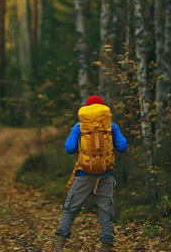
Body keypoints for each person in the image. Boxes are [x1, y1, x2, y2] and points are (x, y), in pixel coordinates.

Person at [54, 95, 128, 252]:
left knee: (70, 208)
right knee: (106, 213)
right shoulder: (110, 126)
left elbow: (69, 148)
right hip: (105, 175)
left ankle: (59, 245)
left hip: (83, 174)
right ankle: (106, 248)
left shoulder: (79, 126)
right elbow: (122, 146)